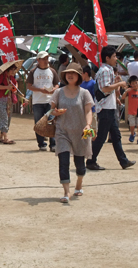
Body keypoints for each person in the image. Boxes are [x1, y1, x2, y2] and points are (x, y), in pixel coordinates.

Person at [87, 46, 136, 171]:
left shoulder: (106, 70)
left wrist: (115, 82)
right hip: (106, 108)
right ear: (107, 58)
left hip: (108, 108)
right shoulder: (105, 70)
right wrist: (119, 84)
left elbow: (107, 87)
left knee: (116, 136)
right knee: (102, 137)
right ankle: (90, 160)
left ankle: (123, 161)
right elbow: (105, 89)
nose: (116, 59)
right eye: (114, 57)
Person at [51, 63, 94, 202]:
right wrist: (55, 112)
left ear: (79, 76)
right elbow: (51, 110)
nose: (70, 75)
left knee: (80, 165)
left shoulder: (84, 93)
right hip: (62, 131)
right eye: (68, 73)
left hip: (80, 132)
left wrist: (88, 125)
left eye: (74, 73)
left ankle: (79, 184)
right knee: (63, 161)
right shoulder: (58, 92)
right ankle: (66, 192)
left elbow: (88, 111)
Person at [26, 51, 60, 152]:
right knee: (39, 123)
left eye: (47, 58)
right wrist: (40, 90)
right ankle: (41, 143)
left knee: (51, 121)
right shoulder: (33, 71)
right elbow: (29, 86)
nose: (46, 61)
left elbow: (57, 83)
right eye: (43, 59)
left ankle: (53, 144)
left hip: (50, 101)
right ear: (38, 60)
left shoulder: (52, 71)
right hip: (37, 101)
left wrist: (54, 89)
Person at [0, 64, 18, 144]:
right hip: (1, 99)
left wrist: (14, 88)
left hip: (9, 100)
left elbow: (15, 84)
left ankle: (1, 136)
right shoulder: (1, 76)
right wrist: (7, 87)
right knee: (4, 117)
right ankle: (6, 137)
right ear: (8, 70)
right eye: (12, 70)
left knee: (8, 117)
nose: (13, 72)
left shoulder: (11, 78)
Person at [121, 75, 138, 144]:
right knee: (132, 125)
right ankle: (132, 133)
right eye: (132, 83)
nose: (134, 85)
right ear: (130, 84)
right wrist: (126, 91)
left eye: (136, 83)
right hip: (131, 111)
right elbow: (122, 98)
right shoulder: (129, 91)